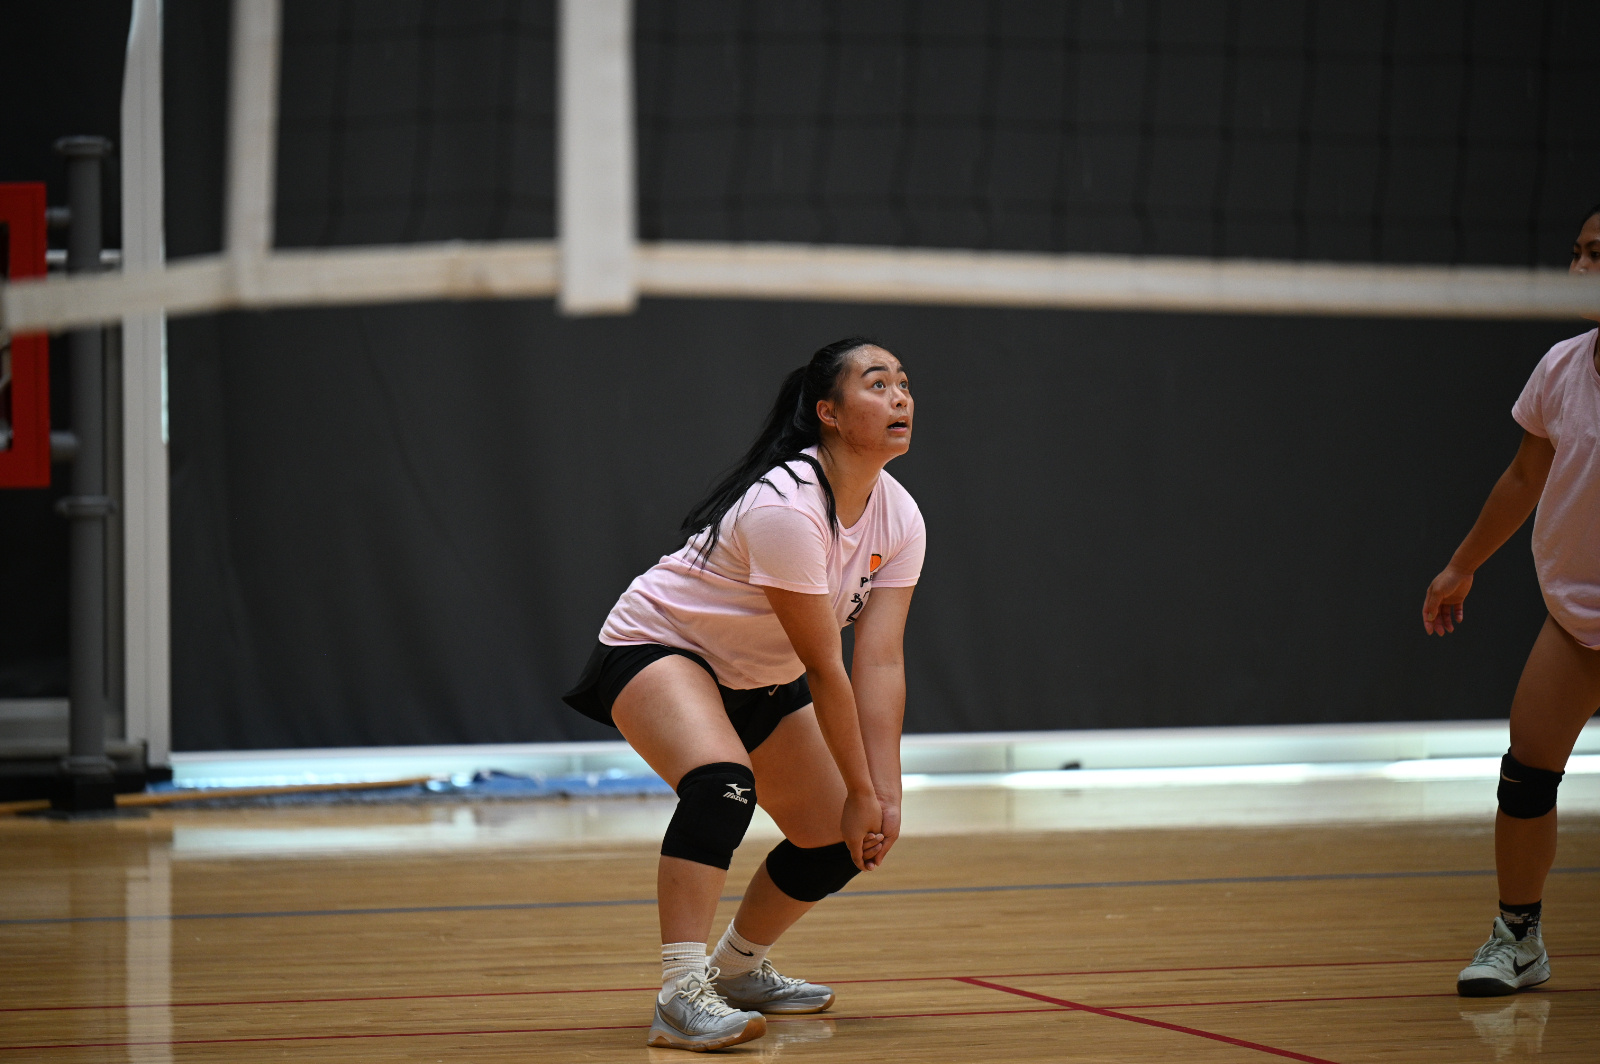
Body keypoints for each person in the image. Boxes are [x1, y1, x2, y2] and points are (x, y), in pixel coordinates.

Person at [563, 337, 924, 1050]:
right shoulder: (786, 505)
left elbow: (880, 662)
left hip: (754, 676)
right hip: (660, 648)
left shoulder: (900, 515)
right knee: (721, 785)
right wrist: (859, 785)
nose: (900, 397)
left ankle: (735, 971)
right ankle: (678, 996)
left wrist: (883, 793)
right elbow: (825, 666)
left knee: (839, 837)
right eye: (877, 384)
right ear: (828, 411)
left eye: (904, 384)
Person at [1422, 204, 1600, 997]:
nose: (1579, 269)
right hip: (1576, 617)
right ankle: (1519, 940)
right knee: (1527, 771)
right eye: (1577, 253)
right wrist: (1461, 566)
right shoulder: (1561, 367)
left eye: (1596, 254)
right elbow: (1525, 477)